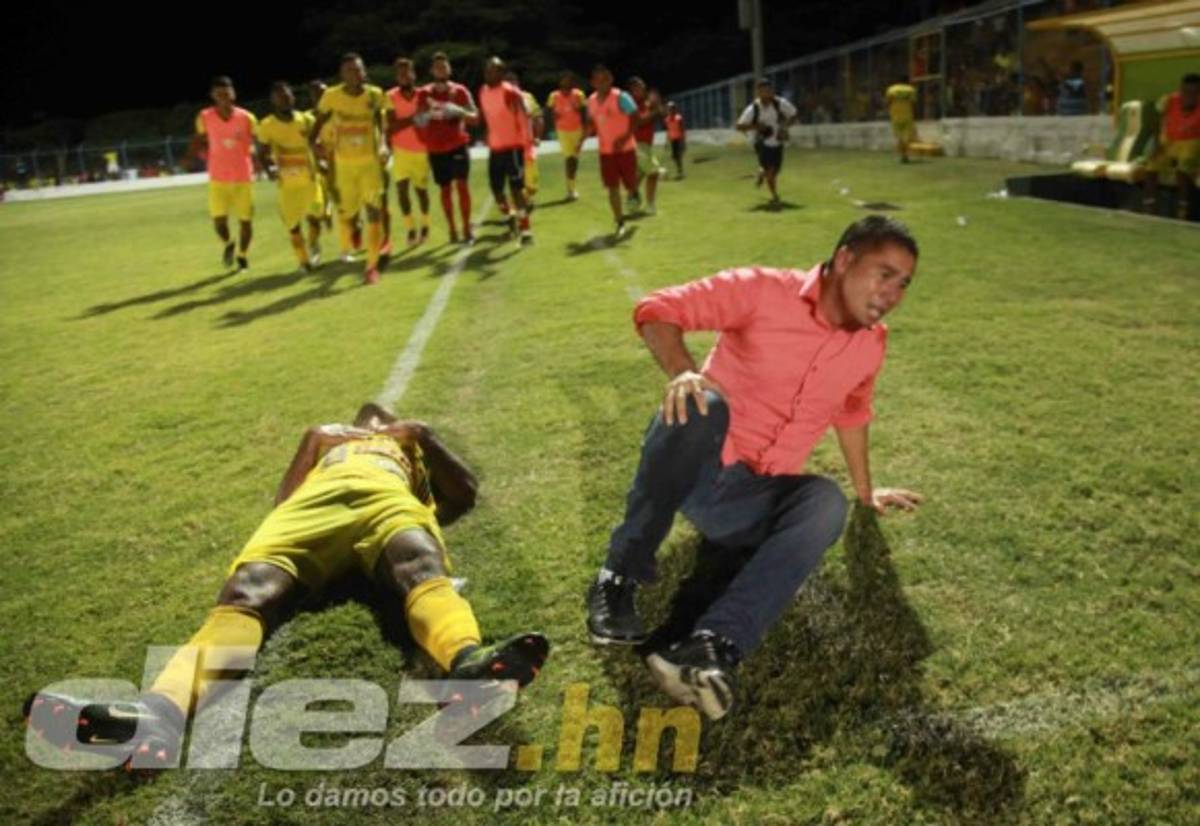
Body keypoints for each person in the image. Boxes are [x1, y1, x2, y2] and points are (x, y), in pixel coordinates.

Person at [26, 403, 550, 766]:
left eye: (384, 418)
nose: (374, 419)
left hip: (385, 502)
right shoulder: (325, 443)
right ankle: (155, 716)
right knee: (246, 592)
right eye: (366, 417)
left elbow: (465, 494)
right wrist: (311, 442)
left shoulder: (408, 450)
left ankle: (469, 666)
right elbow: (282, 502)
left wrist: (421, 436)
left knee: (421, 566)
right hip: (308, 511)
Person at [586, 215, 925, 721]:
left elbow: (852, 414)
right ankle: (617, 578)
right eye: (884, 273)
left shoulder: (871, 343)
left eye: (903, 283)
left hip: (750, 501)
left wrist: (865, 492)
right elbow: (657, 309)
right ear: (846, 258)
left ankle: (711, 645)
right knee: (705, 403)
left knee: (823, 500)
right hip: (697, 466)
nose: (893, 292)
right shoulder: (764, 290)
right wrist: (683, 373)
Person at [311, 53, 391, 285]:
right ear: (342, 74)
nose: (354, 74)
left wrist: (384, 145)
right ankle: (352, 233)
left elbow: (380, 122)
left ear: (363, 71)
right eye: (348, 70)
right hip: (344, 165)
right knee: (349, 214)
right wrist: (313, 146)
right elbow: (318, 122)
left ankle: (371, 266)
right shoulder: (331, 96)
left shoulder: (375, 94)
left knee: (374, 211)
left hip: (369, 164)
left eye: (357, 69)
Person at [186, 76, 259, 271]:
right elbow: (199, 139)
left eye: (226, 93)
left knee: (246, 221)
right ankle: (228, 243)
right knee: (219, 221)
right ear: (213, 96)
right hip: (218, 178)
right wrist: (190, 157)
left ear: (233, 94)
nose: (223, 97)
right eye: (219, 94)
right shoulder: (204, 117)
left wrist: (260, 162)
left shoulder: (247, 118)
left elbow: (257, 142)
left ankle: (242, 256)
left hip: (243, 177)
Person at [256, 82, 326, 271]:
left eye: (288, 96)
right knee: (293, 227)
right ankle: (303, 262)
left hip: (310, 181)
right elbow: (261, 153)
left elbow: (318, 143)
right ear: (273, 100)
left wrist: (322, 154)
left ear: (293, 98)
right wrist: (268, 170)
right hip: (287, 185)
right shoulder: (267, 125)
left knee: (315, 219)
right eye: (280, 97)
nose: (285, 100)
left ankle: (313, 243)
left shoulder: (306, 119)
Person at [421, 52, 479, 245]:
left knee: (462, 186)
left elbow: (476, 118)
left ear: (450, 69)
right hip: (436, 149)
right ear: (431, 70)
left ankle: (466, 228)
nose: (441, 70)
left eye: (444, 66)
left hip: (457, 145)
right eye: (437, 67)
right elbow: (417, 121)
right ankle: (452, 229)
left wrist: (459, 111)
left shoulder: (460, 91)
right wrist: (433, 112)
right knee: (445, 189)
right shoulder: (424, 93)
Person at [478, 57, 533, 245]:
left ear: (501, 73)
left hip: (513, 148)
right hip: (495, 149)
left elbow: (524, 120)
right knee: (496, 190)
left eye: (493, 70)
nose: (488, 73)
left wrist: (527, 148)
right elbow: (486, 117)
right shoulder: (482, 91)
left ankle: (526, 230)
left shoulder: (511, 92)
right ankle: (510, 216)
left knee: (517, 189)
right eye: (487, 70)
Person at [585, 64, 639, 239]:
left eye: (605, 79)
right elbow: (592, 122)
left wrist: (624, 137)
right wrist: (584, 136)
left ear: (610, 79)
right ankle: (619, 221)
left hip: (626, 149)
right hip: (606, 151)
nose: (601, 83)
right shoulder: (591, 101)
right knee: (612, 187)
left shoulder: (621, 97)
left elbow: (635, 117)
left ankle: (633, 191)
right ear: (592, 82)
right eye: (597, 80)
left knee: (630, 183)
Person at [385, 57, 433, 248]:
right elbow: (392, 126)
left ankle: (425, 225)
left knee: (421, 192)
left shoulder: (423, 94)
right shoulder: (390, 96)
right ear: (396, 76)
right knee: (402, 192)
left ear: (413, 73)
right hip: (400, 152)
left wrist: (408, 120)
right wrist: (414, 117)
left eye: (407, 72)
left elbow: (427, 122)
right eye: (400, 73)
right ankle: (410, 229)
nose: (404, 76)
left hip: (421, 151)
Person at [1145, 73, 1200, 220]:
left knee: (1184, 165)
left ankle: (1183, 207)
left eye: (1194, 93)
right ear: (1181, 90)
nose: (1189, 96)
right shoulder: (1169, 100)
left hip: (1192, 141)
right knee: (1151, 165)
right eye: (1186, 92)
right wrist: (1156, 143)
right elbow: (1155, 120)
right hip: (1169, 141)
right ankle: (1150, 206)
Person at [735, 78, 797, 207]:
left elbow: (794, 115)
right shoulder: (753, 109)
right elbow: (739, 126)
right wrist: (757, 127)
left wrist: (785, 127)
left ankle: (761, 172)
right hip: (760, 141)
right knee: (771, 172)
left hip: (777, 141)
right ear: (758, 93)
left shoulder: (780, 103)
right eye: (763, 91)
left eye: (768, 91)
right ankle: (775, 195)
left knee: (775, 171)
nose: (766, 94)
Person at [505, 69, 543, 210]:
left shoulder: (527, 97)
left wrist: (538, 136)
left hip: (527, 146)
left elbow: (537, 117)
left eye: (513, 83)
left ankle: (521, 201)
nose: (511, 87)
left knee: (532, 186)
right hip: (511, 147)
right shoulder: (501, 100)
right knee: (516, 180)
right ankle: (518, 206)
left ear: (518, 84)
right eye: (508, 84)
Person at [546, 71, 587, 200]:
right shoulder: (554, 96)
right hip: (562, 131)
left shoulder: (579, 95)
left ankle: (571, 187)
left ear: (573, 82)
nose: (566, 82)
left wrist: (586, 129)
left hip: (577, 130)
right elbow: (547, 111)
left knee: (574, 160)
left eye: (569, 80)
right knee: (569, 159)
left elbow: (585, 112)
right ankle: (571, 190)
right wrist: (553, 116)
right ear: (560, 82)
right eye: (564, 80)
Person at [628, 77, 665, 216]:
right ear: (631, 91)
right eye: (637, 88)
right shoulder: (630, 105)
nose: (641, 89)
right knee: (653, 172)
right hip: (637, 144)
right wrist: (655, 110)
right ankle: (650, 205)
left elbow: (662, 115)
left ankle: (631, 200)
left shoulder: (647, 103)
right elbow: (640, 122)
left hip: (646, 145)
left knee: (640, 174)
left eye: (642, 87)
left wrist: (658, 104)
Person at [885, 75, 918, 163]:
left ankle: (902, 155)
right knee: (907, 136)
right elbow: (913, 102)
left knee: (898, 135)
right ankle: (905, 155)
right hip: (907, 114)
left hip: (895, 114)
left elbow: (888, 101)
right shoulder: (911, 90)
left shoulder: (891, 89)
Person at [664, 102, 687, 179]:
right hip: (672, 140)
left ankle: (680, 171)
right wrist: (666, 142)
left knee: (677, 156)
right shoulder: (666, 119)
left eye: (671, 108)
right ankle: (679, 170)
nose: (669, 110)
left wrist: (683, 141)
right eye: (668, 109)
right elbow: (668, 130)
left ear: (674, 109)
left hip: (679, 139)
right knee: (674, 156)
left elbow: (682, 129)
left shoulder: (679, 118)